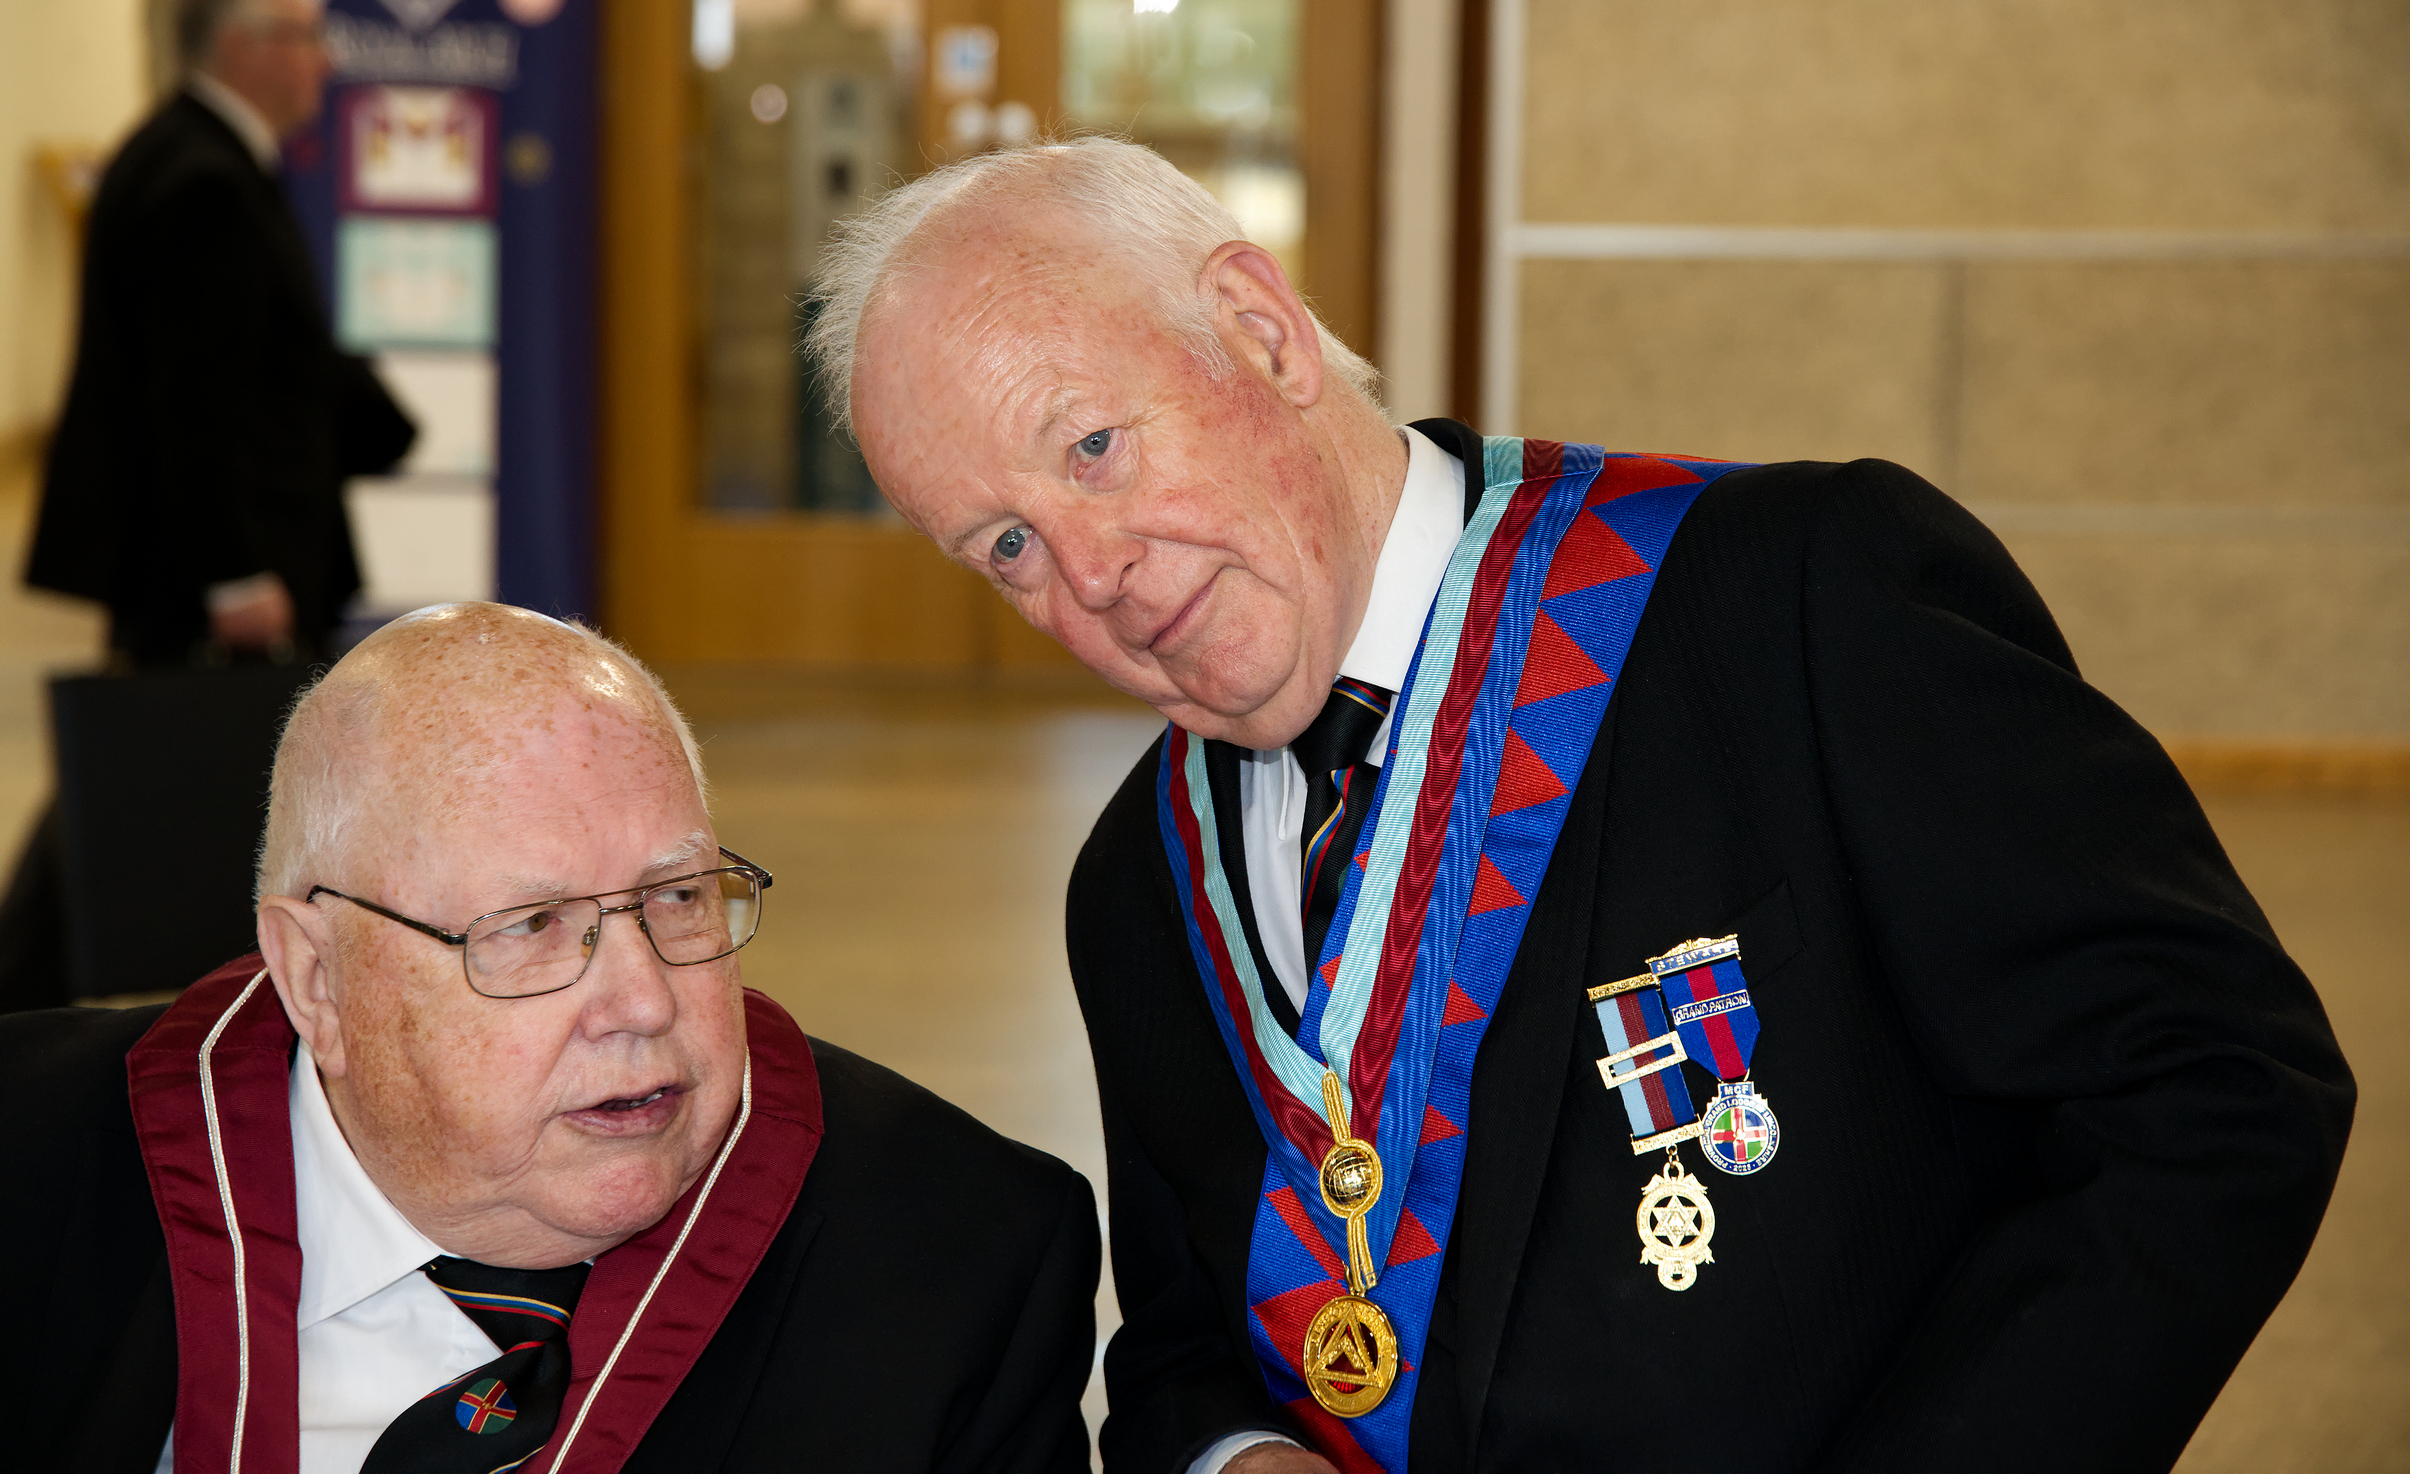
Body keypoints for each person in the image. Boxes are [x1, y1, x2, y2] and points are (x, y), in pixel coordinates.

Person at [813, 139, 2356, 1474]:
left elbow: (2215, 1086)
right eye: (1004, 545)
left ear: (1260, 334)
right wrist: (1237, 1452)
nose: (1088, 576)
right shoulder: (1140, 885)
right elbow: (1181, 1349)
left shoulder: (1793, 597)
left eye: (1092, 447)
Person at [0, 602, 1100, 1474]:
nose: (644, 1001)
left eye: (678, 898)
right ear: (317, 978)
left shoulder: (961, 1261)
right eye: (529, 926)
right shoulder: (30, 1160)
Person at [1, 0, 414, 1012]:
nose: (324, 60)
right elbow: (193, 401)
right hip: (209, 568)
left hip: (199, 556)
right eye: (306, 36)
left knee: (137, 779)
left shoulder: (201, 156)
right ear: (245, 47)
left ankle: (33, 982)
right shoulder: (202, 180)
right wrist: (234, 573)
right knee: (152, 779)